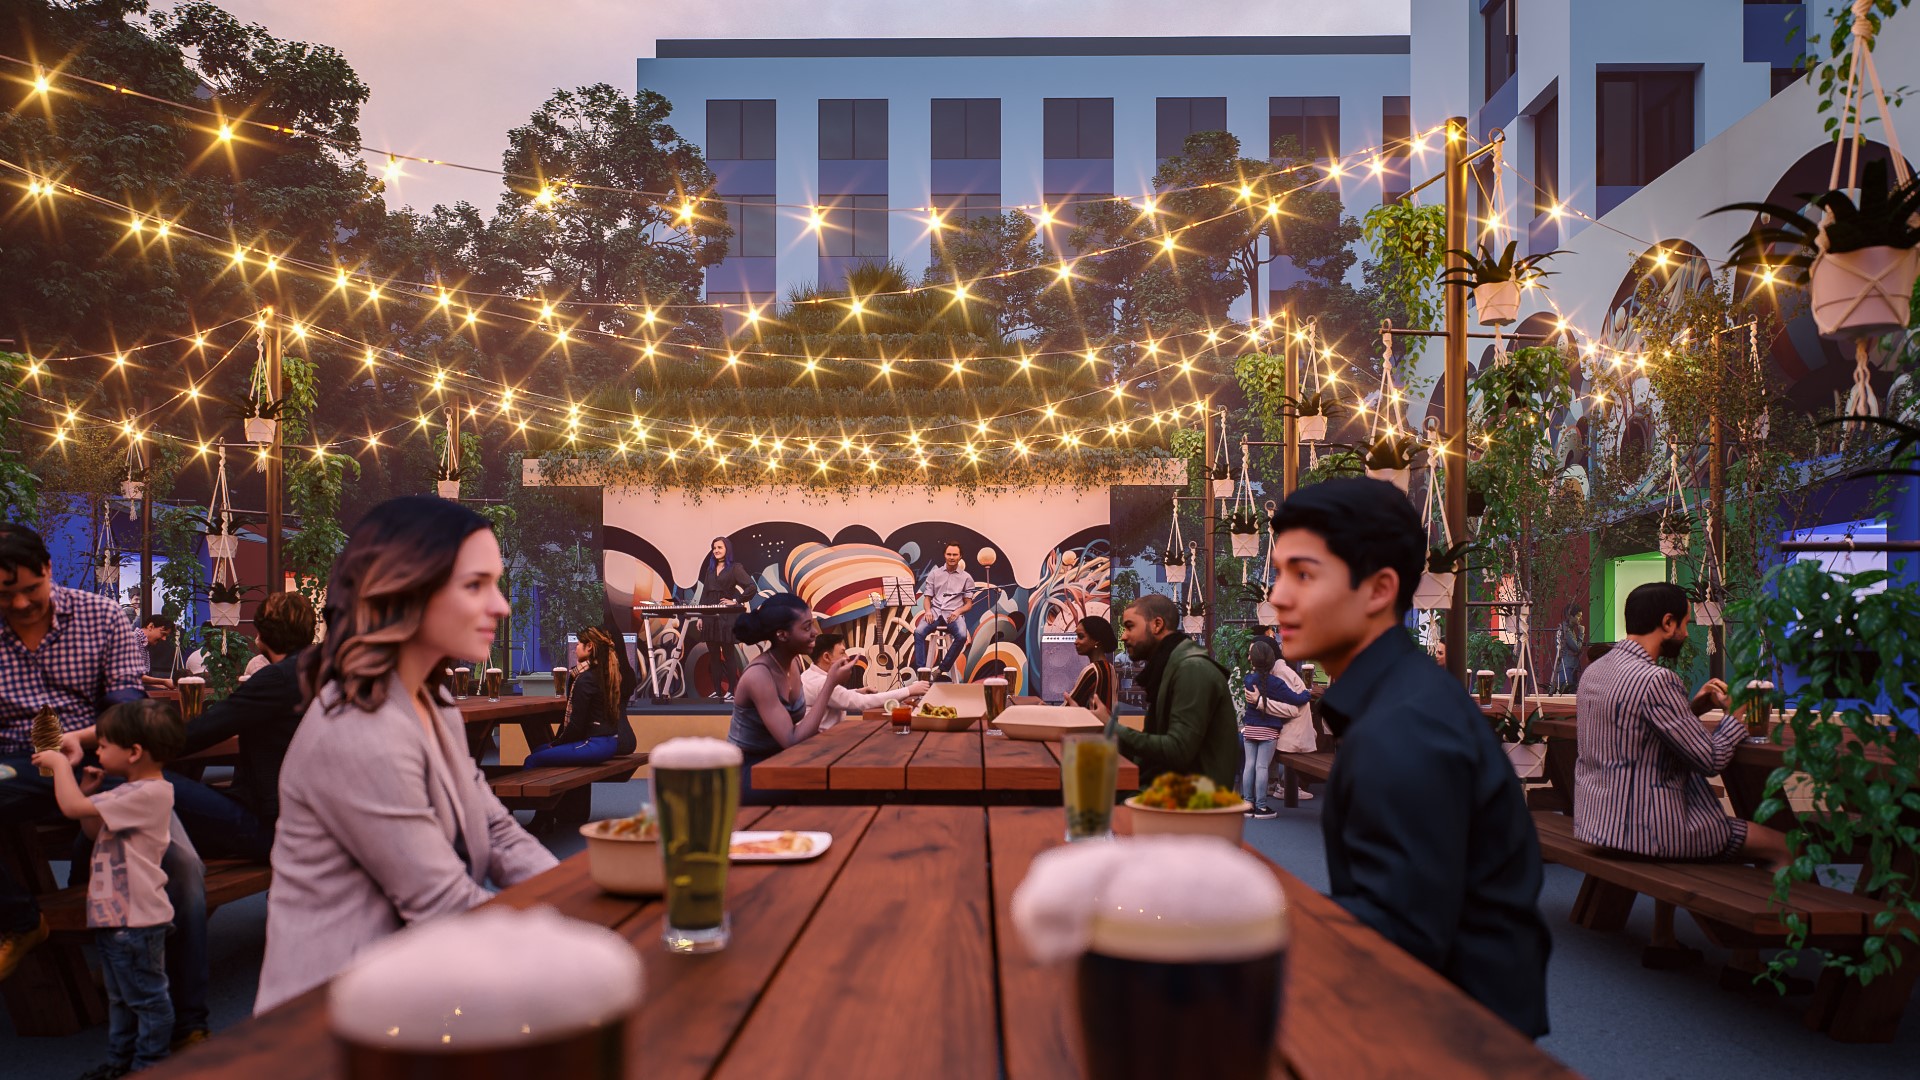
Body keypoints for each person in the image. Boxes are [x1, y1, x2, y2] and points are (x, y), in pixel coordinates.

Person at [1267, 478, 1551, 1038]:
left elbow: (1399, 939)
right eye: (1277, 573)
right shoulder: (1400, 698)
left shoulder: (1403, 728)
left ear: (1378, 590)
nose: (1278, 595)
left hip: (1451, 1037)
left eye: (1303, 574)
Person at [255, 497, 559, 1013]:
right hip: (330, 1025)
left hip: (412, 997)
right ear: (406, 591)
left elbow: (501, 834)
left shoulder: (432, 699)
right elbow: (445, 905)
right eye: (475, 585)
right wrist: (585, 948)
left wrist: (574, 900)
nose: (501, 606)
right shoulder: (357, 728)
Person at [0, 524, 211, 1049]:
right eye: (6, 594)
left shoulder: (100, 615)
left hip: (103, 756)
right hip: (12, 764)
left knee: (183, 867)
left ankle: (189, 1022)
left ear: (48, 568)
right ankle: (20, 919)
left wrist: (80, 741)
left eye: (31, 586)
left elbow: (127, 711)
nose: (22, 602)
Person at [1574, 582, 1789, 870]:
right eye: (1685, 624)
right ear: (1667, 622)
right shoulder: (1656, 680)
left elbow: (1635, 729)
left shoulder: (1595, 670)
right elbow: (1711, 760)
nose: (1687, 634)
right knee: (1786, 846)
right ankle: (1779, 915)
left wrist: (1693, 709)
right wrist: (1737, 715)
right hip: (1652, 830)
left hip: (1599, 825)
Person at [33, 699, 185, 1076]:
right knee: (120, 999)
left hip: (137, 922)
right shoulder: (131, 793)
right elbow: (91, 828)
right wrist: (86, 791)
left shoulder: (149, 793)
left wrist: (57, 766)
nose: (96, 750)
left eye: (103, 745)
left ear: (134, 752)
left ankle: (151, 1065)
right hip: (115, 917)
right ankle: (119, 1063)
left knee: (148, 1000)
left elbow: (69, 809)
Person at [164, 590, 317, 862]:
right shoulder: (319, 671)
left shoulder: (277, 678)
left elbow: (206, 729)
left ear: (262, 636)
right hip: (311, 821)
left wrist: (137, 746)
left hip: (272, 827)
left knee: (139, 783)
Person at [728, 594, 853, 804]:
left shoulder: (793, 663)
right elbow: (792, 740)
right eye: (806, 628)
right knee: (831, 790)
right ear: (782, 635)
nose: (815, 633)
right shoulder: (759, 675)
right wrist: (830, 683)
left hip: (780, 761)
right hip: (749, 771)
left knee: (849, 779)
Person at [1111, 594, 1240, 788]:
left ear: (1157, 625)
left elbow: (1178, 750)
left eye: (1130, 626)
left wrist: (1111, 728)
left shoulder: (1192, 670)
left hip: (1194, 804)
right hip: (1176, 791)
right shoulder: (1170, 668)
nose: (1123, 636)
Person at [523, 626, 637, 766]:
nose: (574, 648)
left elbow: (576, 725)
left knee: (532, 759)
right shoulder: (605, 674)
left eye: (577, 644)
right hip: (610, 742)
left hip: (595, 744)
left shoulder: (586, 679)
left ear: (589, 646)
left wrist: (557, 744)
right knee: (539, 750)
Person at [1241, 637, 1314, 817]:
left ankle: (1247, 803)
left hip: (1250, 729)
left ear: (1253, 660)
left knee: (1249, 766)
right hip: (1268, 732)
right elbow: (1296, 700)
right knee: (1262, 767)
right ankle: (1261, 806)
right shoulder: (1276, 683)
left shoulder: (1248, 680)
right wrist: (1306, 693)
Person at [800, 633, 928, 729]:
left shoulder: (809, 675)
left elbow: (834, 696)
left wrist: (857, 691)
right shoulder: (820, 682)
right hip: (821, 745)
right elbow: (862, 703)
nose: (847, 658)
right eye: (842, 653)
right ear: (827, 657)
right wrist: (909, 690)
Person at [695, 537, 754, 700]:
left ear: (727, 549)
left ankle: (732, 692)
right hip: (709, 616)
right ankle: (717, 691)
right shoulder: (710, 570)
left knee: (728, 654)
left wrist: (735, 601)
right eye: (714, 548)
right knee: (713, 654)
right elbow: (705, 593)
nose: (716, 550)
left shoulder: (735, 568)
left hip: (726, 617)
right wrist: (701, 615)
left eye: (719, 547)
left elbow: (751, 587)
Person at [911, 542, 976, 680]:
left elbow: (969, 604)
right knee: (918, 632)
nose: (951, 557)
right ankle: (923, 673)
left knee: (962, 636)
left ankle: (941, 669)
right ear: (944, 555)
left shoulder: (967, 578)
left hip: (953, 614)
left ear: (960, 556)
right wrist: (927, 611)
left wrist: (958, 612)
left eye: (955, 554)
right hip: (935, 612)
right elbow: (927, 598)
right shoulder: (934, 574)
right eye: (949, 554)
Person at [1065, 615, 1119, 720]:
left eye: (1081, 636)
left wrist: (1046, 711)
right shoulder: (1110, 668)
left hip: (1091, 734)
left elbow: (1069, 707)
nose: (1076, 642)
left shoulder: (1092, 671)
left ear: (1096, 641)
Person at [139, 615, 176, 691]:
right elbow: (135, 676)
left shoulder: (145, 645)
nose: (164, 639)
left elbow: (140, 681)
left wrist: (163, 686)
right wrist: (164, 682)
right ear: (150, 626)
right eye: (163, 634)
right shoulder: (132, 641)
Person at [1555, 605, 1586, 693]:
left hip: (1570, 667)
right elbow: (1576, 647)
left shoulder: (1570, 629)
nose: (1581, 619)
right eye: (1579, 616)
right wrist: (1581, 633)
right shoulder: (1566, 630)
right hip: (1567, 668)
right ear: (1570, 616)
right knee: (1568, 695)